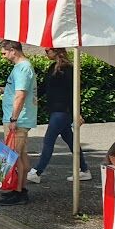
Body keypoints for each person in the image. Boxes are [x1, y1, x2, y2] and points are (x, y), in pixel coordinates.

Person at [28, 48, 90, 184]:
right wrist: (32, 96)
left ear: (56, 51)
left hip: (63, 111)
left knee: (49, 140)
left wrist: (77, 112)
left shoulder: (69, 69)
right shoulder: (52, 67)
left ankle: (37, 171)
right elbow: (44, 87)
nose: (45, 53)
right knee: (71, 140)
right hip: (56, 110)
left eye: (47, 51)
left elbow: (74, 92)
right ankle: (84, 170)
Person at [0, 40, 38, 206]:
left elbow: (21, 95)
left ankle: (19, 193)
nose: (3, 57)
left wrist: (13, 118)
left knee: (15, 157)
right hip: (19, 118)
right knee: (20, 155)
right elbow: (16, 90)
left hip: (18, 119)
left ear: (13, 50)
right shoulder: (22, 67)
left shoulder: (23, 68)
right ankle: (20, 190)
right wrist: (2, 89)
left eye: (4, 53)